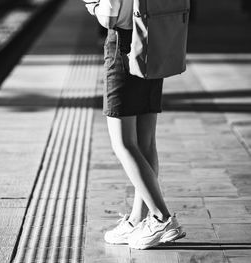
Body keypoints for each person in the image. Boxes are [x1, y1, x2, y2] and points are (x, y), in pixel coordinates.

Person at [84, 0, 186, 249]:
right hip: (154, 36)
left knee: (123, 143)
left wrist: (91, 5)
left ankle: (161, 217)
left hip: (123, 43)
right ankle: (137, 219)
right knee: (145, 140)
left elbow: (109, 15)